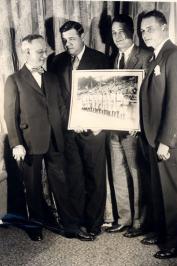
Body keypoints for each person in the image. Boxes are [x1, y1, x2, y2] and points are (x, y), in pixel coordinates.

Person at [4, 34, 94, 242]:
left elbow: (62, 109)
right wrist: (16, 143)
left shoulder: (52, 78)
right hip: (29, 142)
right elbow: (10, 115)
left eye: (45, 51)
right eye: (40, 51)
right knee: (33, 187)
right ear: (26, 52)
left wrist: (75, 123)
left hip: (55, 140)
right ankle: (35, 226)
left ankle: (71, 226)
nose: (45, 55)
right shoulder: (14, 80)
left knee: (62, 184)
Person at [139, 10, 177, 259]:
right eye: (142, 30)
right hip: (155, 138)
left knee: (173, 191)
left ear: (164, 27)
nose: (144, 34)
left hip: (169, 140)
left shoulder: (175, 56)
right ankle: (163, 234)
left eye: (149, 28)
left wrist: (165, 141)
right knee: (159, 190)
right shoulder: (156, 56)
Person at [49, 20, 110, 237]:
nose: (68, 44)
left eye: (72, 39)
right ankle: (78, 221)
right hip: (70, 130)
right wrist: (71, 121)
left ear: (82, 36)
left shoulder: (101, 60)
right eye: (65, 40)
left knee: (95, 177)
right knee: (74, 178)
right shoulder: (57, 62)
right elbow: (58, 98)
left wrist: (99, 122)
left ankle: (94, 225)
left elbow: (108, 94)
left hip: (94, 131)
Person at [106, 14, 152, 238]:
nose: (117, 37)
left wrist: (139, 122)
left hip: (135, 129)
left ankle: (139, 222)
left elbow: (150, 94)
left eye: (121, 32)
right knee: (118, 173)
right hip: (115, 127)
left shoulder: (145, 55)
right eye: (113, 33)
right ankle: (124, 219)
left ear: (131, 32)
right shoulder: (115, 58)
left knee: (136, 174)